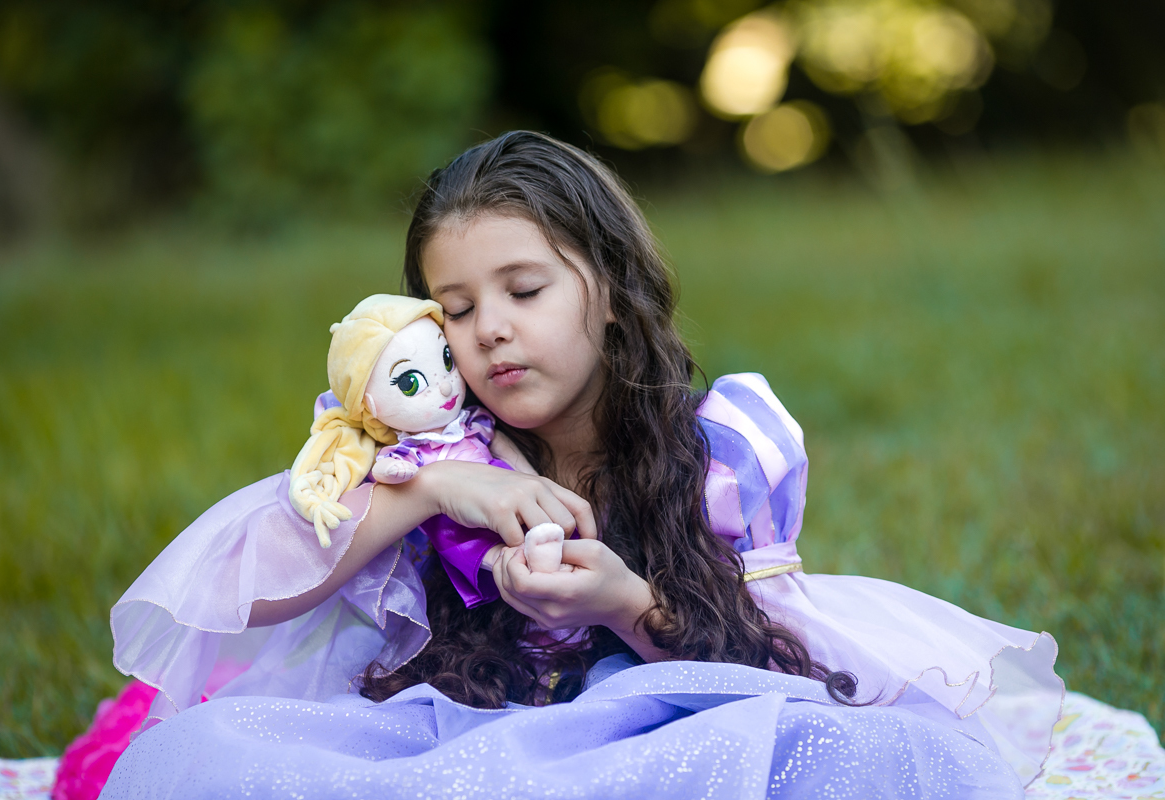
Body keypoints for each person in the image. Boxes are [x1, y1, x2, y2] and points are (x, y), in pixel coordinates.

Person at [100, 131, 1062, 799]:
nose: (495, 331)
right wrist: (435, 488)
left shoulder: (717, 445)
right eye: (458, 309)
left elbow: (766, 670)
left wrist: (619, 604)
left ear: (609, 290)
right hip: (467, 740)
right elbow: (233, 594)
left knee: (880, 765)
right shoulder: (426, 447)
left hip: (661, 746)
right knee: (195, 759)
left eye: (525, 289)